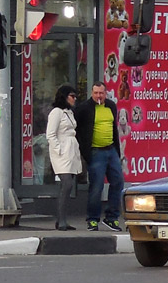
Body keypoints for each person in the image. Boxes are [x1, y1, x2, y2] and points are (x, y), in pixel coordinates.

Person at [75, 82, 125, 232]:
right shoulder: (84, 108)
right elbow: (76, 128)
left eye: (101, 93)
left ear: (106, 93)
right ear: (92, 93)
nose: (98, 96)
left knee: (118, 182)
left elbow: (114, 128)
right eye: (96, 93)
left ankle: (111, 217)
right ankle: (92, 219)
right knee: (97, 187)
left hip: (111, 150)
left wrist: (117, 151)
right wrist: (85, 152)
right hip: (96, 152)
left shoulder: (111, 106)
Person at [45, 85, 82, 231]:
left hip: (71, 150)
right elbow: (50, 134)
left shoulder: (69, 112)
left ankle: (62, 219)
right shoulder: (56, 112)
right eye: (72, 96)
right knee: (67, 184)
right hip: (62, 151)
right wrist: (58, 150)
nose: (74, 99)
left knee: (67, 186)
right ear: (64, 96)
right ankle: (61, 220)